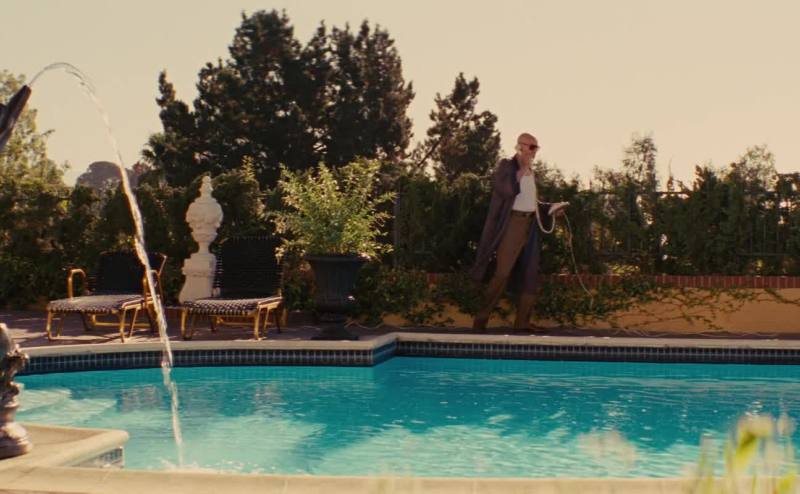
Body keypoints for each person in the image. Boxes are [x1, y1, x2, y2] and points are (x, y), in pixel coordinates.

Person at [470, 133, 567, 331]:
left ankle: (522, 323)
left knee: (530, 274)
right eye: (531, 147)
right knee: (502, 273)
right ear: (520, 146)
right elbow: (505, 190)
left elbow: (531, 201)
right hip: (513, 223)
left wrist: (551, 208)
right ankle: (481, 318)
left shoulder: (532, 172)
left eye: (536, 148)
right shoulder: (507, 166)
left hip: (531, 225)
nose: (534, 151)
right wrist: (522, 169)